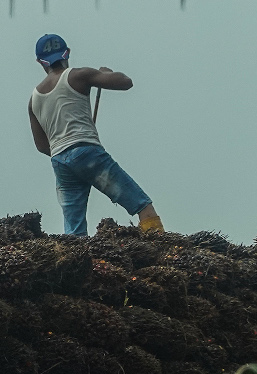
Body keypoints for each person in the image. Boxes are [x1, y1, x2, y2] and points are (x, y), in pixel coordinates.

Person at [28, 34, 163, 236]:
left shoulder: (34, 99)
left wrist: (69, 157)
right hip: (88, 153)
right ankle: (164, 250)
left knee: (74, 231)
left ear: (40, 61)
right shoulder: (77, 75)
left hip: (60, 161)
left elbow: (41, 146)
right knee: (142, 205)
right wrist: (105, 74)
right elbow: (126, 82)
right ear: (67, 53)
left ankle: (78, 264)